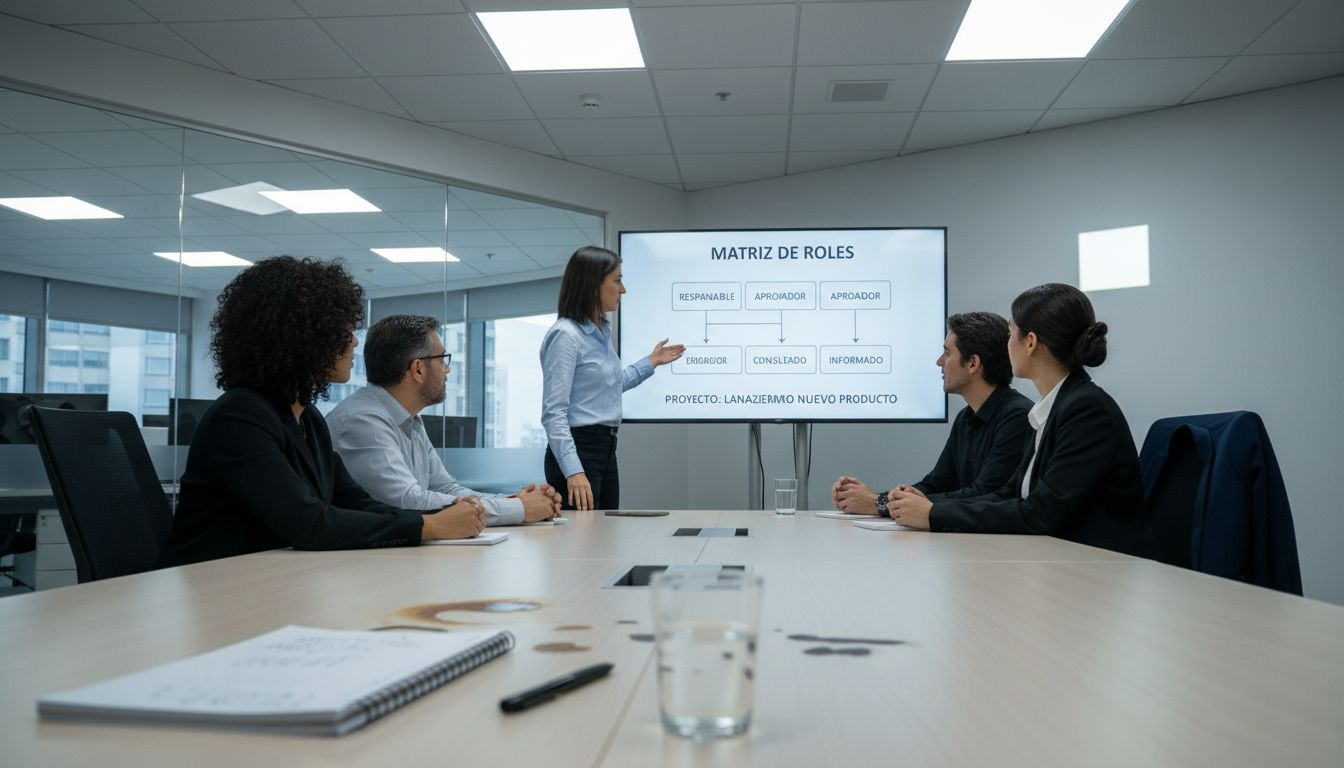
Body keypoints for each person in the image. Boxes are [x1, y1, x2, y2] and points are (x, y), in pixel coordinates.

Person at [157, 257, 485, 568]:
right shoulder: (239, 417)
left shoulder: (308, 419)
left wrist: (444, 515)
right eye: (343, 330)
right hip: (209, 583)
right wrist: (429, 527)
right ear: (303, 337)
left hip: (268, 577)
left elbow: (355, 502)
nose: (353, 343)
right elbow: (310, 522)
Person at [887, 283, 1157, 558]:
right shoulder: (1052, 407)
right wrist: (930, 508)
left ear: (1030, 342)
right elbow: (1011, 493)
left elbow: (1041, 513)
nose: (1006, 345)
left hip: (1101, 566)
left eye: (1010, 333)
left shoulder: (1086, 410)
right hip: (1063, 558)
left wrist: (935, 514)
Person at [328, 314, 561, 525]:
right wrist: (519, 509)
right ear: (418, 369)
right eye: (442, 360)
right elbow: (409, 502)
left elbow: (446, 488)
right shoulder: (363, 422)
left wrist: (514, 501)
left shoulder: (410, 421)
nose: (447, 370)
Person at [830, 312, 1032, 514]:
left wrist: (879, 503)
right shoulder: (966, 417)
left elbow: (984, 494)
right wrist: (870, 498)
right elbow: (937, 484)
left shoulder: (1017, 417)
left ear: (973, 363)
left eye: (947, 353)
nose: (939, 361)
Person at [541, 246, 684, 511]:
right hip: (578, 451)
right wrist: (574, 471)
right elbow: (553, 414)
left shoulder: (600, 332)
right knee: (580, 535)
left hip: (605, 449)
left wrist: (651, 361)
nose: (623, 290)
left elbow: (610, 385)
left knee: (605, 532)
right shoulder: (566, 336)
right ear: (592, 284)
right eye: (617, 280)